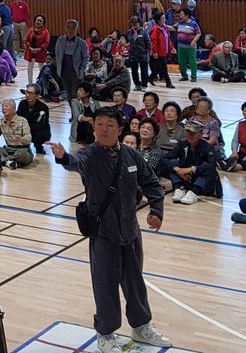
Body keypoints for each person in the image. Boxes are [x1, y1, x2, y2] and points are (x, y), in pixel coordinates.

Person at [50, 107, 169, 353]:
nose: (104, 130)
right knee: (105, 284)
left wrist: (156, 211)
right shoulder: (89, 154)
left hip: (131, 230)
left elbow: (151, 182)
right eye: (99, 124)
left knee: (135, 282)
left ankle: (141, 327)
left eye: (109, 125)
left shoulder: (131, 155)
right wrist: (63, 157)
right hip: (104, 233)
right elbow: (75, 162)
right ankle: (105, 334)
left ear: (120, 129)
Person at [161, 119, 220, 203]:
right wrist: (178, 170)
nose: (190, 135)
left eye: (194, 133)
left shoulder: (208, 148)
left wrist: (191, 169)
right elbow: (164, 158)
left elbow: (211, 165)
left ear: (201, 134)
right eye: (188, 133)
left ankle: (194, 193)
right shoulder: (182, 145)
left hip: (202, 181)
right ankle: (178, 189)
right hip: (186, 178)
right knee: (172, 163)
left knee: (209, 170)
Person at [54, 18, 89, 103]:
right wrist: (59, 68)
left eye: (73, 27)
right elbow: (57, 54)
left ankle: (77, 110)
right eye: (68, 27)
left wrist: (82, 70)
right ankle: (73, 110)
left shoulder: (82, 43)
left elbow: (86, 58)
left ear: (77, 29)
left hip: (76, 72)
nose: (70, 30)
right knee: (68, 93)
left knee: (75, 94)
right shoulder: (60, 40)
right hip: (64, 71)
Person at [0, 98, 34, 169]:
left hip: (23, 149)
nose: (4, 108)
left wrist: (22, 139)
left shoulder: (23, 120)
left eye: (6, 106)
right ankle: (12, 162)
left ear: (14, 109)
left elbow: (29, 138)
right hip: (9, 149)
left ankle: (6, 161)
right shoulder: (0, 122)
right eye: (2, 106)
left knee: (23, 155)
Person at [18, 85, 51, 154]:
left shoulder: (43, 107)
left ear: (37, 95)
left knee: (41, 134)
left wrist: (26, 127)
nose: (27, 95)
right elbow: (18, 118)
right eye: (27, 92)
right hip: (25, 127)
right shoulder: (22, 103)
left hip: (36, 130)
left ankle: (39, 147)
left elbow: (42, 125)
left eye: (30, 93)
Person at [25, 14, 50, 86]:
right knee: (30, 68)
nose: (38, 22)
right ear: (35, 21)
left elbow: (46, 42)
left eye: (40, 21)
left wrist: (39, 49)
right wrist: (30, 47)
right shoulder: (30, 29)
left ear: (43, 23)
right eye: (37, 20)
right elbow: (26, 39)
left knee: (41, 68)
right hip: (31, 52)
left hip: (40, 52)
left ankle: (41, 83)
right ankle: (30, 83)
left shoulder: (45, 31)